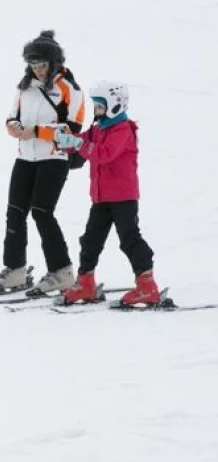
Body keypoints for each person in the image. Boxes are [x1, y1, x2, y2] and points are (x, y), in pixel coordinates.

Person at [0, 30, 85, 296]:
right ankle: (15, 269)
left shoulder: (70, 89)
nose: (38, 70)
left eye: (42, 65)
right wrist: (15, 128)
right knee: (15, 211)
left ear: (54, 62)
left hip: (54, 158)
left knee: (42, 211)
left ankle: (62, 271)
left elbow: (72, 129)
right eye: (33, 66)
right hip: (25, 156)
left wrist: (36, 132)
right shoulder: (25, 88)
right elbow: (11, 117)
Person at [54, 80, 162, 306]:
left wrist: (78, 143)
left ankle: (147, 286)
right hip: (101, 198)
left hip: (123, 197)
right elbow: (83, 141)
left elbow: (104, 154)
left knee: (129, 240)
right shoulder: (98, 129)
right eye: (96, 106)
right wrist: (65, 140)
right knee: (90, 240)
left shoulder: (123, 130)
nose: (97, 110)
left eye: (100, 106)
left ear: (115, 105)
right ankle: (86, 284)